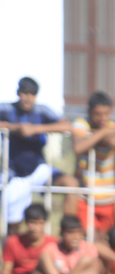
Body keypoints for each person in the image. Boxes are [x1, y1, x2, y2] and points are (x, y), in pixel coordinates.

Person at [0, 77, 76, 236]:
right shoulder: (6, 109)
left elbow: (67, 125)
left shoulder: (42, 110)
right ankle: (13, 246)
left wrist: (36, 129)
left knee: (70, 184)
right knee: (13, 224)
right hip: (14, 174)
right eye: (25, 92)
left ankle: (69, 235)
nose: (28, 97)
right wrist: (14, 128)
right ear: (18, 92)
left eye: (32, 94)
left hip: (38, 169)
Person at [70, 91, 115, 234]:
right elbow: (78, 147)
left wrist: (90, 137)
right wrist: (104, 132)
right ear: (89, 112)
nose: (103, 118)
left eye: (106, 113)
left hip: (108, 198)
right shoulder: (81, 123)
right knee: (86, 237)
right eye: (98, 114)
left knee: (104, 238)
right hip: (85, 196)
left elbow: (113, 140)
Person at [34, 214, 100, 274]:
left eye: (79, 232)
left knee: (86, 260)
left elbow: (94, 273)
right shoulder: (51, 248)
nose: (75, 236)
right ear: (61, 233)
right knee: (45, 257)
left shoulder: (88, 248)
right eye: (70, 232)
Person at [0, 203, 56, 274]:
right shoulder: (13, 241)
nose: (36, 228)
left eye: (40, 223)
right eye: (32, 223)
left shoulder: (53, 243)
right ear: (26, 222)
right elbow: (6, 272)